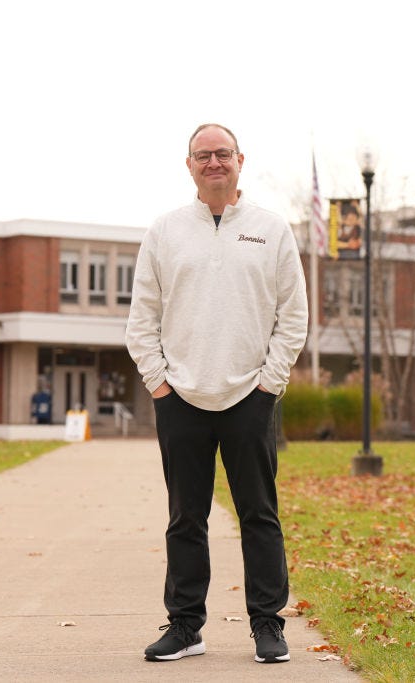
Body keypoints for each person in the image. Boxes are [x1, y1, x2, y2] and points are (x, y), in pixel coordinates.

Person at [125, 123, 308, 664]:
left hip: (248, 397)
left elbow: (292, 316)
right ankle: (185, 627)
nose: (213, 162)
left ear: (240, 160)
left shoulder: (272, 230)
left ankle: (268, 626)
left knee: (260, 514)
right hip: (179, 396)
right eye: (202, 155)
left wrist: (268, 383)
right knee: (186, 517)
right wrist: (158, 383)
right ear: (189, 165)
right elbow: (143, 318)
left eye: (222, 153)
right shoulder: (164, 231)